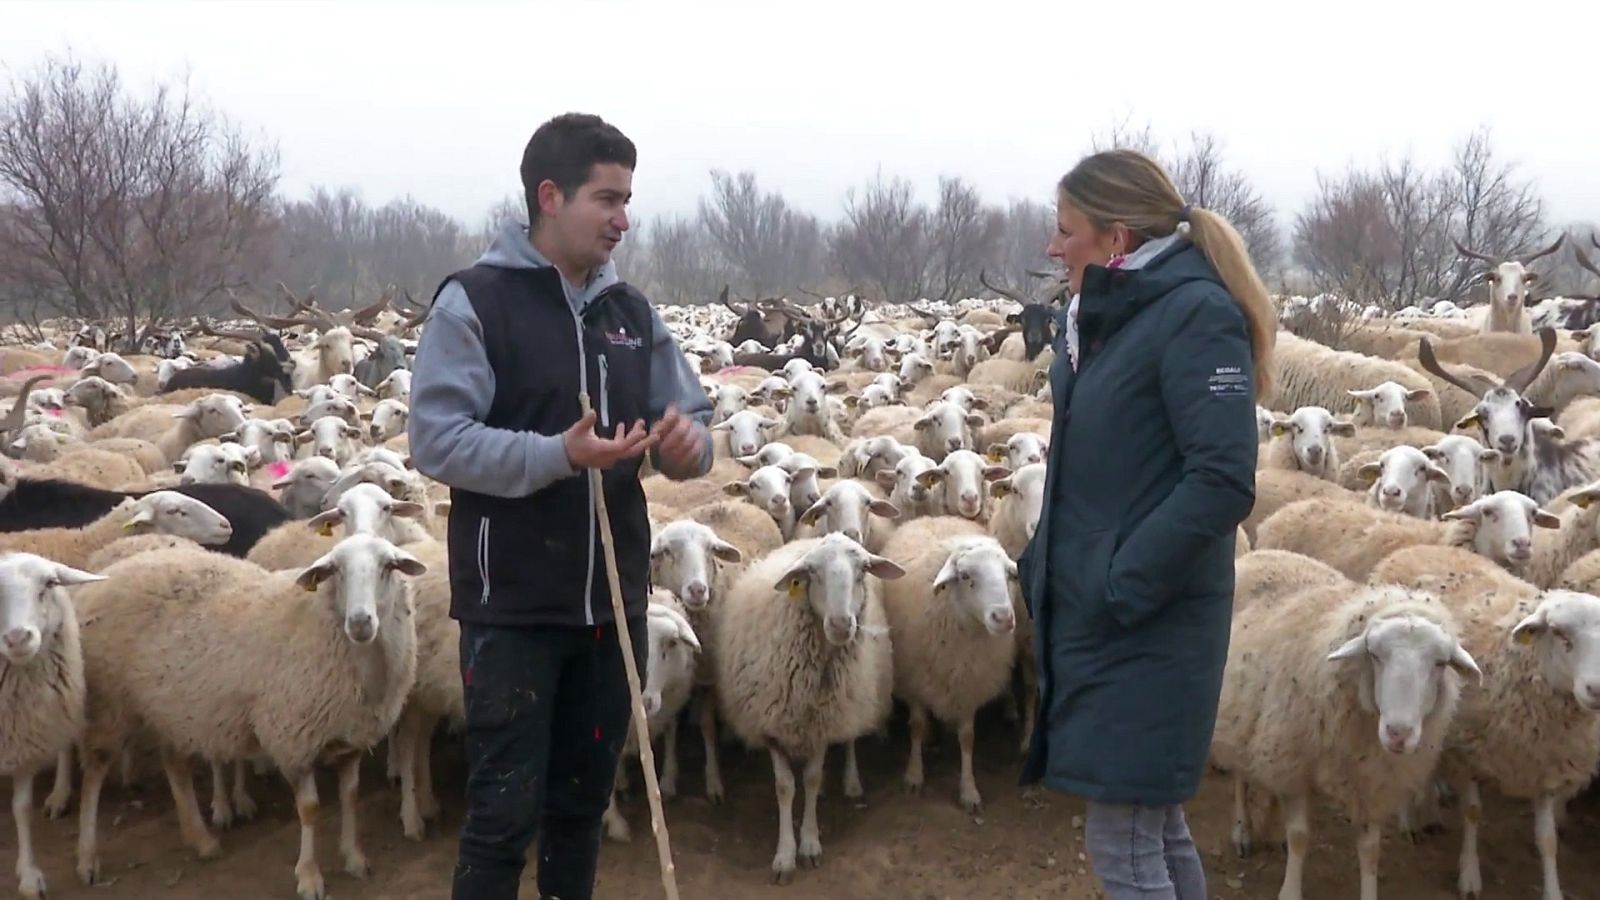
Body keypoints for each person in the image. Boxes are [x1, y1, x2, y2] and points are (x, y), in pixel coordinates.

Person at [407, 112, 714, 900]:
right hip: (513, 609)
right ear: (550, 197)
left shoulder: (630, 314)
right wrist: (557, 455)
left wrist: (687, 447)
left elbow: (690, 423)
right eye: (607, 199)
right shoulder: (475, 303)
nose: (623, 220)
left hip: (613, 605)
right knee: (502, 817)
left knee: (583, 807)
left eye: (627, 200)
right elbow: (437, 440)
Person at [1016, 148, 1275, 899]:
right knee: (1152, 831)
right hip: (1118, 618)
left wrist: (1121, 582)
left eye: (1066, 231)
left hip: (1149, 623)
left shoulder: (1193, 317)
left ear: (1117, 238)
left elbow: (1222, 479)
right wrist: (1046, 561)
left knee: (1124, 843)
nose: (1053, 247)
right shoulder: (1108, 320)